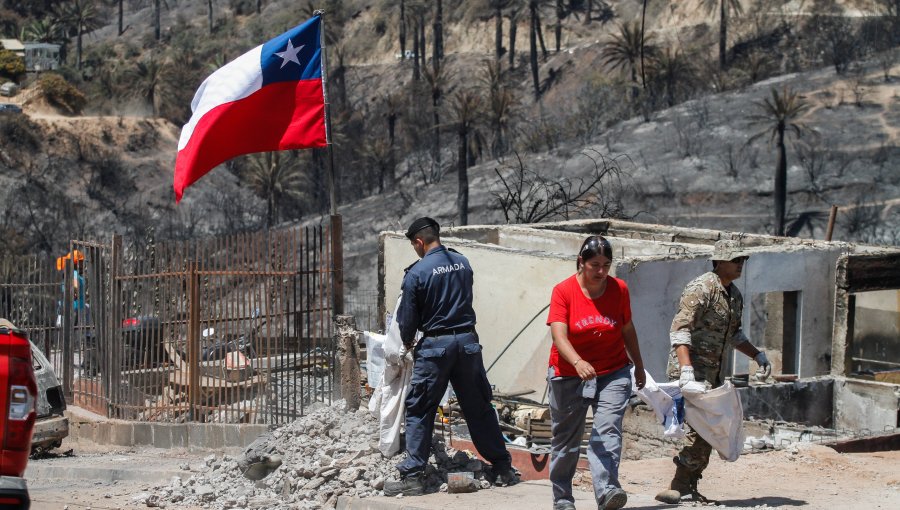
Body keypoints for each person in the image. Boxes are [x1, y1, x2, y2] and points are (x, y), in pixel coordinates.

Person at [383, 217, 516, 497]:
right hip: (468, 343)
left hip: (435, 348)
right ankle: (503, 467)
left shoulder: (417, 273)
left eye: (414, 246)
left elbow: (408, 320)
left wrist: (407, 342)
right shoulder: (463, 263)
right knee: (478, 406)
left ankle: (414, 476)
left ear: (419, 242)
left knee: (420, 409)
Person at [655, 239, 772, 504]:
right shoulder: (701, 288)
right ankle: (680, 483)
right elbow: (680, 328)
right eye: (736, 260)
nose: (740, 265)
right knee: (703, 428)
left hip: (712, 374)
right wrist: (685, 370)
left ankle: (686, 483)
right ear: (719, 261)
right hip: (690, 371)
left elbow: (734, 335)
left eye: (743, 260)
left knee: (710, 428)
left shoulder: (734, 296)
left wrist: (757, 355)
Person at [547, 235, 646, 510]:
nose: (601, 271)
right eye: (595, 265)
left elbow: (627, 328)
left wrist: (638, 363)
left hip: (613, 371)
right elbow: (559, 335)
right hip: (568, 373)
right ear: (581, 262)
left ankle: (607, 491)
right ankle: (563, 499)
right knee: (566, 441)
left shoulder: (619, 289)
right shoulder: (563, 291)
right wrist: (578, 362)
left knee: (608, 430)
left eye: (606, 264)